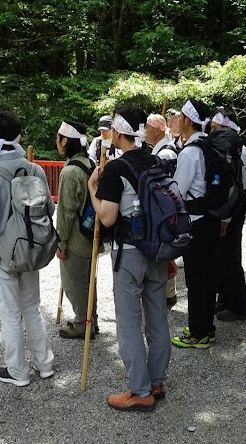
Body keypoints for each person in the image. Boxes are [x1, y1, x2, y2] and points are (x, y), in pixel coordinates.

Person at [87, 105, 170, 412]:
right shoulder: (158, 161)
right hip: (158, 251)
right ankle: (157, 380)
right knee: (157, 317)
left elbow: (107, 218)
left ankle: (140, 391)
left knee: (129, 322)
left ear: (118, 133)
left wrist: (92, 187)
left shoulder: (115, 169)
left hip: (130, 253)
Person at [0, 111, 55, 387]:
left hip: (3, 256)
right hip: (31, 251)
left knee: (10, 314)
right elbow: (49, 209)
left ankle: (18, 372)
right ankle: (45, 365)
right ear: (20, 136)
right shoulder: (35, 170)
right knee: (31, 307)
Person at [170, 98, 221, 348]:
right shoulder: (206, 146)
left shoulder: (190, 152)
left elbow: (177, 191)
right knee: (208, 276)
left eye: (180, 116)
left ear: (188, 120)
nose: (177, 120)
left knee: (196, 280)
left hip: (196, 223)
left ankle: (198, 333)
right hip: (210, 219)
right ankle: (207, 327)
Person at [54, 120, 97, 339]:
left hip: (76, 238)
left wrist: (60, 242)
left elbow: (65, 212)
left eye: (59, 138)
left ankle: (82, 324)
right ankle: (91, 320)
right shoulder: (90, 164)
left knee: (75, 283)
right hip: (92, 233)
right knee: (89, 281)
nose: (56, 142)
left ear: (65, 141)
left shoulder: (70, 171)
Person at [210, 108, 246, 321]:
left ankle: (239, 306)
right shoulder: (231, 149)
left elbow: (234, 189)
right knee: (221, 258)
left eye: (216, 128)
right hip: (227, 209)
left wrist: (225, 218)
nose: (212, 132)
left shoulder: (238, 152)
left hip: (232, 210)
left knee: (231, 258)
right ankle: (225, 299)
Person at [144, 113, 180, 308]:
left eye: (148, 127)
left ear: (157, 130)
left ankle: (167, 293)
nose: (145, 132)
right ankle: (165, 292)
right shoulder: (160, 151)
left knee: (164, 253)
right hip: (161, 211)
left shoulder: (165, 154)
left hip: (164, 211)